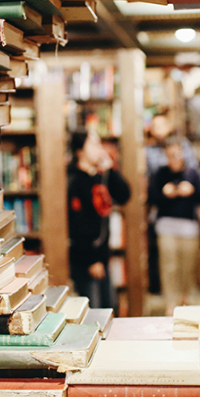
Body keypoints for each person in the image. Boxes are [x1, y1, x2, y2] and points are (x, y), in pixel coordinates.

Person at [67, 128, 131, 309]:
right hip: (86, 260)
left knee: (110, 307)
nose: (99, 149)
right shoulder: (74, 180)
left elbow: (124, 195)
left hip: (103, 257)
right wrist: (91, 260)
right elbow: (77, 224)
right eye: (93, 144)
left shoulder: (99, 176)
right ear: (80, 151)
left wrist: (111, 168)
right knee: (94, 312)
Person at [148, 137, 200, 315]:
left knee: (187, 265)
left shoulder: (192, 173)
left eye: (177, 154)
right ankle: (171, 300)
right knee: (169, 265)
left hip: (188, 226)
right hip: (166, 225)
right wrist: (165, 193)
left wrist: (192, 190)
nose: (174, 158)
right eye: (170, 155)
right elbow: (152, 197)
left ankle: (184, 297)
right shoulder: (160, 174)